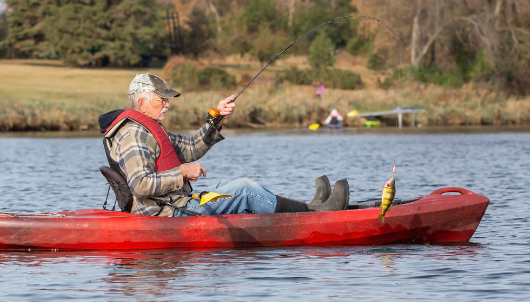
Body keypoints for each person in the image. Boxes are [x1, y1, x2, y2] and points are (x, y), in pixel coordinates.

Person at [98, 73, 349, 217]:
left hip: (176, 203)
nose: (168, 104)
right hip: (166, 214)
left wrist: (216, 118)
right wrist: (183, 172)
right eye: (161, 99)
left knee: (232, 187)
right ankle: (313, 216)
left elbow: (190, 148)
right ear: (141, 103)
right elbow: (140, 185)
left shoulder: (149, 129)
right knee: (244, 189)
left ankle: (309, 208)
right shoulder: (133, 135)